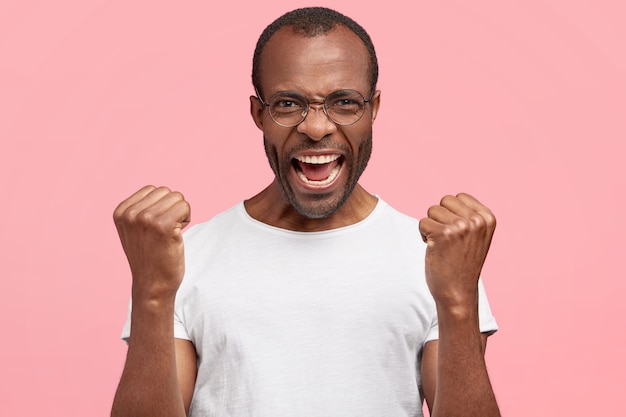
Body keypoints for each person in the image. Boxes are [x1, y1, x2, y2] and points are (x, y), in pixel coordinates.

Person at [111, 7, 501, 417]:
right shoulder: (181, 259)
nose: (316, 128)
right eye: (287, 103)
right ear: (258, 114)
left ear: (374, 109)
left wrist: (458, 300)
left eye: (345, 102)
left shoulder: (434, 258)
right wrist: (151, 293)